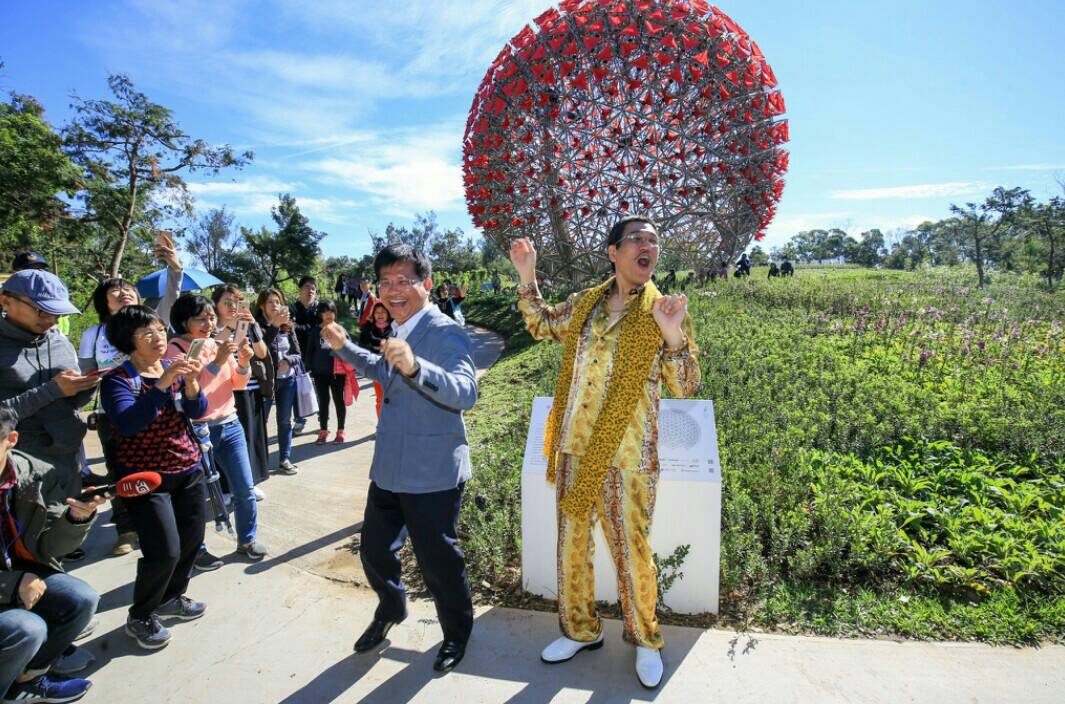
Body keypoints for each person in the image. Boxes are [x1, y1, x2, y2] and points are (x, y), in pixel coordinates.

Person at [509, 215, 701, 689]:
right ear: (613, 252)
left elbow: (686, 385)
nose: (648, 246)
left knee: (632, 553)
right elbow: (541, 323)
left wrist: (673, 334)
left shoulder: (665, 308)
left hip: (628, 456)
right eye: (637, 238)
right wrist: (527, 275)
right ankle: (580, 630)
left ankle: (645, 639)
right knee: (571, 546)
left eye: (654, 241)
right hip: (574, 448)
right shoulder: (588, 303)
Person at [322, 243, 477, 674]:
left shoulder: (444, 330)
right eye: (386, 282)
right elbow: (382, 367)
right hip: (390, 468)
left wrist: (416, 369)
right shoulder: (400, 328)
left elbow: (466, 392)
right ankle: (391, 608)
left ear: (425, 284)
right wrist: (344, 346)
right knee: (373, 551)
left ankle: (456, 635)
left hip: (432, 473)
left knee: (439, 564)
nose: (394, 290)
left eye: (404, 281)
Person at [99, 305, 209, 650]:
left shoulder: (172, 369)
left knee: (191, 542)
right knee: (164, 550)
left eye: (160, 330)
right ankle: (141, 614)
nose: (158, 337)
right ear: (127, 341)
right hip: (147, 478)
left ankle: (173, 596)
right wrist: (163, 383)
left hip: (187, 469)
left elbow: (197, 411)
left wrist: (191, 385)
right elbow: (128, 423)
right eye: (147, 333)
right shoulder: (118, 379)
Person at [77, 244, 184, 557]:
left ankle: (163, 522)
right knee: (121, 470)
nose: (123, 292)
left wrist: (175, 269)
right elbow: (88, 375)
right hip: (117, 408)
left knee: (163, 465)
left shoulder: (153, 320)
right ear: (104, 302)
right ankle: (126, 528)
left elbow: (172, 297)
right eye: (115, 290)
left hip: (161, 404)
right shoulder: (94, 334)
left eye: (128, 288)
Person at [0, 406, 105, 703]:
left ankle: (27, 677)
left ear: (12, 439)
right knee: (27, 628)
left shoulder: (33, 474)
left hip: (21, 575)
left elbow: (50, 548)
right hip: (10, 582)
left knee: (81, 599)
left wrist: (76, 519)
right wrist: (12, 583)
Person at [166, 295, 267, 563]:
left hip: (230, 424)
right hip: (195, 431)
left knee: (245, 489)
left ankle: (247, 540)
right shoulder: (175, 349)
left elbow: (237, 384)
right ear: (183, 320)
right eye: (201, 318)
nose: (209, 322)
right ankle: (195, 551)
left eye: (211, 317)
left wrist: (243, 363)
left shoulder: (218, 344)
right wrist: (217, 362)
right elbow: (189, 389)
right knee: (195, 497)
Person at [0, 271, 98, 511]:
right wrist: (53, 389)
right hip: (21, 465)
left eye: (58, 312)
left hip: (67, 459)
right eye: (42, 310)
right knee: (27, 539)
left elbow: (70, 400)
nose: (52, 319)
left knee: (69, 532)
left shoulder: (58, 341)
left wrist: (86, 387)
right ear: (6, 301)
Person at [212, 285, 271, 489]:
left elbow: (262, 353)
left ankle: (249, 483)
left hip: (250, 388)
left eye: (236, 302)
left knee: (250, 438)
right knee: (227, 444)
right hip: (224, 393)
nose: (232, 306)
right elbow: (212, 348)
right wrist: (230, 326)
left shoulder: (245, 325)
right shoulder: (212, 327)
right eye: (226, 302)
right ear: (216, 305)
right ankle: (227, 487)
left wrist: (253, 328)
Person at [254, 289, 301, 476]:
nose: (275, 305)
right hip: (264, 383)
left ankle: (284, 459)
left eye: (277, 301)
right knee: (260, 422)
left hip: (287, 380)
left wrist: (288, 361)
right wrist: (273, 325)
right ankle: (259, 462)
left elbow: (298, 354)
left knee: (284, 421)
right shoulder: (256, 327)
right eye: (270, 302)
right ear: (261, 306)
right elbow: (260, 350)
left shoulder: (288, 326)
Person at [303, 300, 350, 445]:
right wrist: (308, 369)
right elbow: (309, 351)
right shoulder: (316, 331)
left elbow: (350, 350)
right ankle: (323, 431)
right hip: (319, 373)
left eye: (331, 311)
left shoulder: (341, 329)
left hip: (338, 373)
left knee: (338, 401)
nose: (329, 314)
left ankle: (340, 431)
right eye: (325, 311)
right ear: (320, 314)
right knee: (323, 402)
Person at [289, 277, 318, 436]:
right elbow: (289, 328)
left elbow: (318, 329)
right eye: (307, 287)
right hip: (298, 354)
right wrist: (309, 328)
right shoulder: (293, 308)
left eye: (313, 288)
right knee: (298, 390)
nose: (310, 290)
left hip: (317, 354)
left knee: (320, 389)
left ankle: (323, 421)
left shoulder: (319, 308)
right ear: (299, 289)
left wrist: (299, 327)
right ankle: (300, 421)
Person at [357, 302, 392, 417]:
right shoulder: (370, 328)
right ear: (373, 315)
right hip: (377, 369)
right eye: (377, 312)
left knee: (395, 399)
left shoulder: (394, 326)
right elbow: (362, 343)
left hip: (394, 370)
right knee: (380, 399)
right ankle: (381, 426)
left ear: (388, 313)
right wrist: (368, 324)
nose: (380, 314)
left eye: (383, 312)